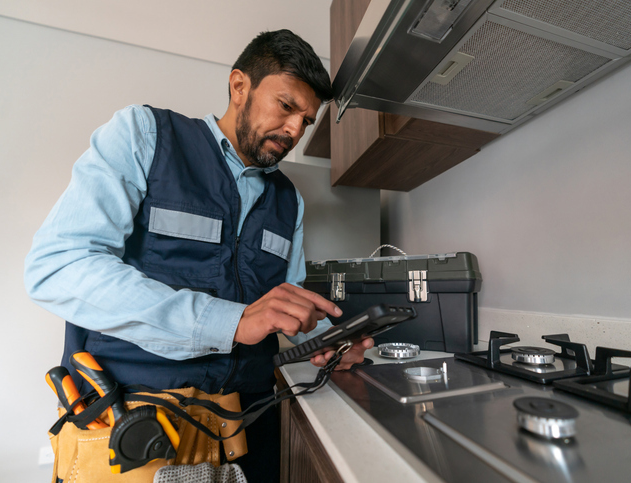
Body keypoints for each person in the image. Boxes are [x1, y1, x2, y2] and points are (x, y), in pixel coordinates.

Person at [24, 29, 371, 482]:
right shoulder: (144, 135)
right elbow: (58, 267)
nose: (294, 132)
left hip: (249, 431)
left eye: (306, 121)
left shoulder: (290, 200)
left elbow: (283, 304)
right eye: (286, 107)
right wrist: (230, 321)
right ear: (239, 85)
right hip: (135, 432)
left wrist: (328, 341)